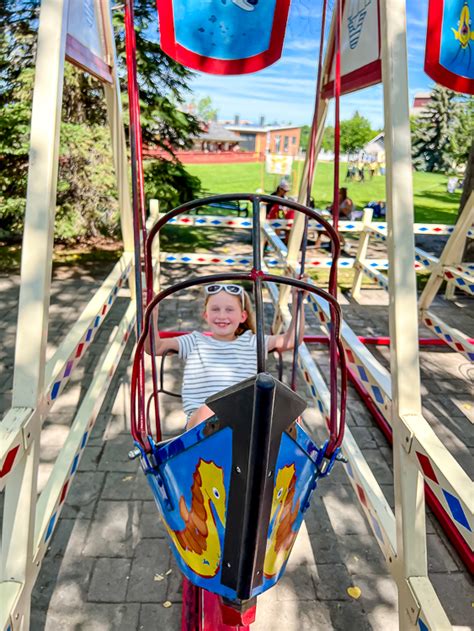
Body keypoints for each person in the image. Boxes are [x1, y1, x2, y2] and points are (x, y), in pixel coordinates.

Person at [146, 282, 307, 429]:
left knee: (288, 412)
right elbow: (154, 347)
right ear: (206, 315)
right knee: (209, 411)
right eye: (215, 309)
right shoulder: (194, 341)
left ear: (242, 316)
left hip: (246, 419)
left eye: (229, 310)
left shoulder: (252, 342)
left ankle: (285, 451)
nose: (222, 316)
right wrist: (150, 313)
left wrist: (297, 305)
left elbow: (291, 340)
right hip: (202, 425)